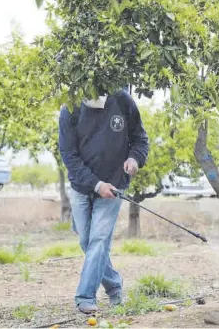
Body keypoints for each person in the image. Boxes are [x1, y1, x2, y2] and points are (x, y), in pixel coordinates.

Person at [58, 89, 149, 314]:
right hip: (81, 187)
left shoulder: (122, 101)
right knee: (87, 243)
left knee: (98, 240)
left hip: (114, 185)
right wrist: (97, 185)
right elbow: (69, 155)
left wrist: (134, 159)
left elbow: (140, 140)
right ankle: (114, 286)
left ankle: (85, 296)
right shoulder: (70, 108)